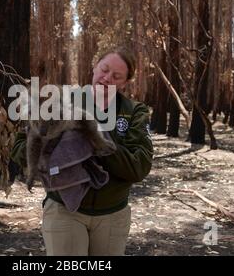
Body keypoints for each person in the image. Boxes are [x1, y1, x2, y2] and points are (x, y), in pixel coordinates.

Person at [10, 46, 153, 256]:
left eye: (116, 76)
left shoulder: (134, 112)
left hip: (112, 214)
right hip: (64, 210)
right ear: (94, 67)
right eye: (104, 69)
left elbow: (139, 167)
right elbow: (21, 146)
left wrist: (95, 138)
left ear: (125, 82)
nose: (107, 78)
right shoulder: (60, 100)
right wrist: (55, 153)